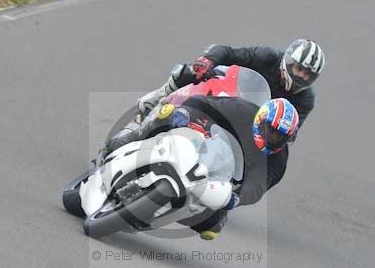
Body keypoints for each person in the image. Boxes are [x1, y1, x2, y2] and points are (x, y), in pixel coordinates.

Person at [105, 95, 299, 240]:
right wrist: (187, 113)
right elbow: (205, 103)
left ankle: (161, 211)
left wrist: (235, 199)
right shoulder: (242, 110)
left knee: (211, 228)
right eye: (270, 130)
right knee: (168, 113)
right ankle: (132, 138)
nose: (272, 137)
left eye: (279, 136)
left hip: (222, 180)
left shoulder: (277, 161)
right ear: (261, 119)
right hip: (206, 142)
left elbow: (256, 187)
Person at [137, 39, 325, 132]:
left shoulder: (305, 100)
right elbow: (227, 52)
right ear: (288, 61)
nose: (301, 76)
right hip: (229, 94)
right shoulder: (268, 57)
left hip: (253, 126)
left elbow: (290, 132)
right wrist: (207, 61)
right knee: (194, 71)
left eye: (308, 74)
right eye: (299, 68)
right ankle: (160, 96)